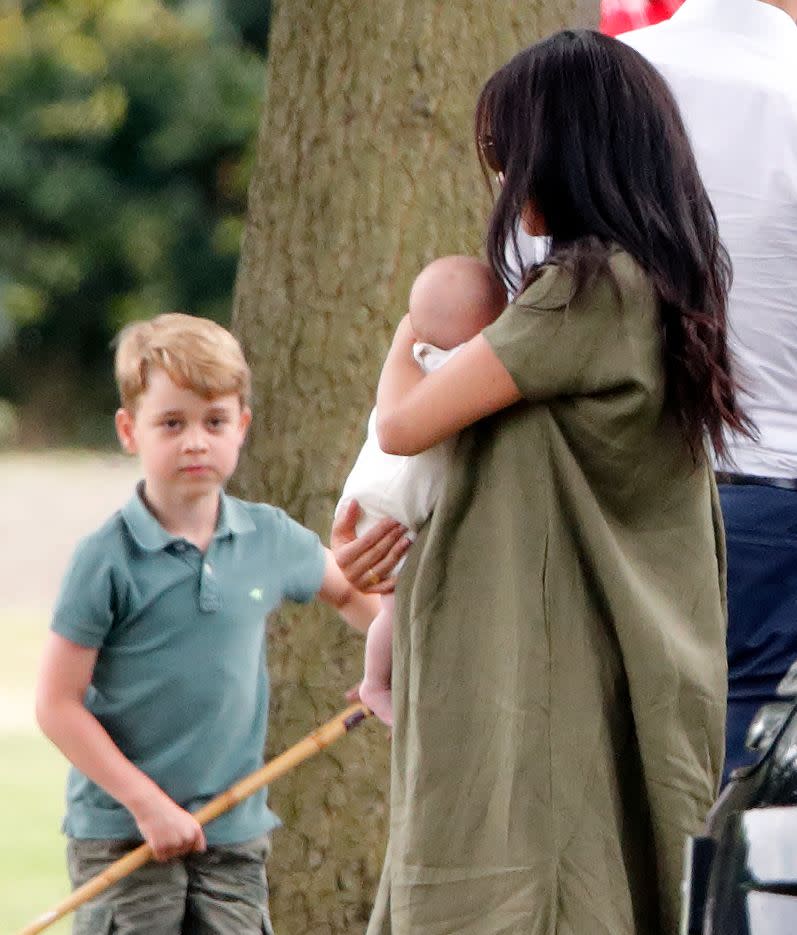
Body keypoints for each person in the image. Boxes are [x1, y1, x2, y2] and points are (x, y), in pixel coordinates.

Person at [332, 30, 752, 935]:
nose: (498, 181)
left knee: (516, 877)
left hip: (545, 660)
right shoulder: (660, 289)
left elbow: (408, 423)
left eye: (504, 156)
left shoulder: (583, 293)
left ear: (561, 157)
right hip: (605, 644)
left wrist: (410, 334)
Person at [34, 313, 378, 935]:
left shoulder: (269, 537)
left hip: (234, 832)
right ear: (128, 430)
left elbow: (355, 595)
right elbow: (57, 706)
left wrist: (388, 663)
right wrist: (147, 805)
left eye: (214, 421)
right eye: (172, 422)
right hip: (124, 833)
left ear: (241, 427)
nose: (196, 441)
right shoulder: (106, 559)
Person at [619, 0, 797, 783]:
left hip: (605, 488)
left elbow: (511, 306)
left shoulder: (592, 86)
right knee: (741, 806)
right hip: (771, 492)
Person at [335, 255, 506, 726]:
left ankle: (381, 678)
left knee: (395, 607)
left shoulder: (419, 354)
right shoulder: (459, 363)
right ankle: (375, 681)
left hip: (372, 495)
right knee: (393, 608)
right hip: (393, 509)